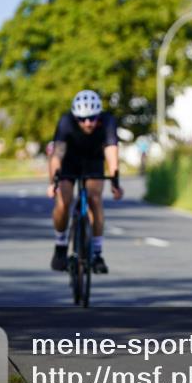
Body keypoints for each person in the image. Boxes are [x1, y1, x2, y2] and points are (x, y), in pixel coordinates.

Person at [46, 90, 123, 273]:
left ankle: (97, 253)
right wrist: (53, 183)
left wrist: (115, 183)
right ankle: (60, 245)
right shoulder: (66, 122)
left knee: (94, 199)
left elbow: (112, 153)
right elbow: (56, 156)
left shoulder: (108, 122)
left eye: (92, 118)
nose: (87, 123)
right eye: (82, 119)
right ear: (75, 117)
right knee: (63, 201)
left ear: (99, 115)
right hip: (69, 162)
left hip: (93, 161)